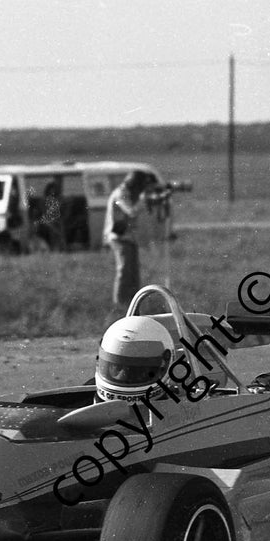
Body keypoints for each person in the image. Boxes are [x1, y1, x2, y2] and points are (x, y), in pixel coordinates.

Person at [94, 315, 174, 403]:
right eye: (117, 367)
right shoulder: (80, 402)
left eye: (135, 370)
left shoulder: (180, 410)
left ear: (164, 366)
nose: (122, 376)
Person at [104, 170, 153, 309]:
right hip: (119, 238)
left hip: (128, 237)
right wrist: (143, 199)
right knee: (124, 271)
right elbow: (130, 211)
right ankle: (119, 303)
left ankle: (133, 302)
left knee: (133, 273)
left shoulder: (127, 193)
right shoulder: (120, 194)